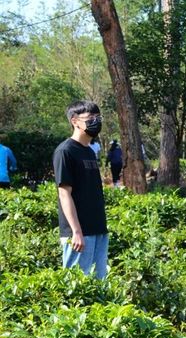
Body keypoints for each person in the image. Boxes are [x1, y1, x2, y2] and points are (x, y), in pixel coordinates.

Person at [54, 100, 109, 279]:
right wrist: (76, 231)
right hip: (79, 233)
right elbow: (64, 194)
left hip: (98, 229)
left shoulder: (90, 151)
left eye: (98, 117)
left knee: (98, 283)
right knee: (77, 285)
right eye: (90, 117)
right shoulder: (65, 151)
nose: (96, 121)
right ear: (75, 121)